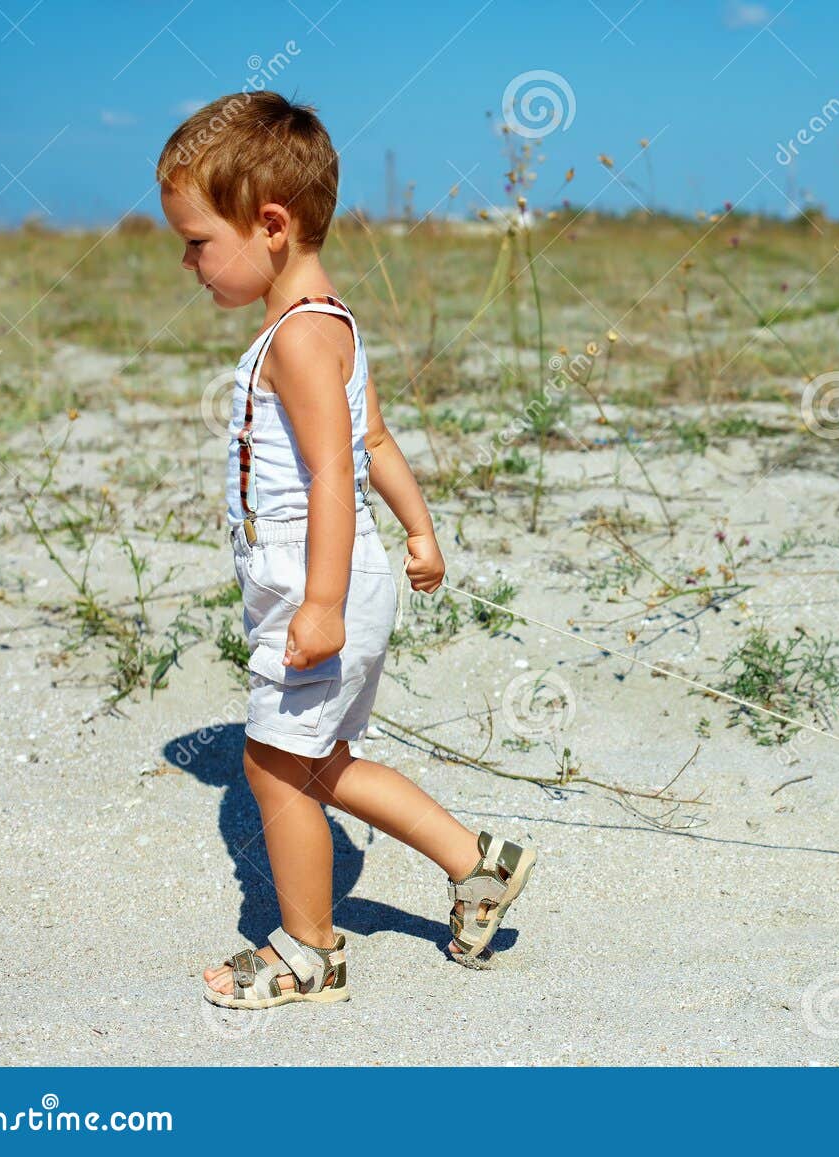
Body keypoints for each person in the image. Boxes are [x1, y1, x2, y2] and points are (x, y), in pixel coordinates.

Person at [156, 90, 536, 1009]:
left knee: (270, 762)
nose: (189, 260)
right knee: (319, 759)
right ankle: (474, 860)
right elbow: (375, 444)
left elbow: (334, 474)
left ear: (271, 225)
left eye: (200, 240)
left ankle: (309, 951)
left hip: (315, 577)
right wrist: (419, 528)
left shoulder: (296, 338)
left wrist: (321, 602)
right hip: (339, 570)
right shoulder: (331, 322)